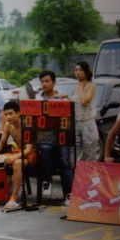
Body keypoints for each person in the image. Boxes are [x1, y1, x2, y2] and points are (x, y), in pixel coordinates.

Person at [0, 101, 37, 210]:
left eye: (11, 113)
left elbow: (28, 150)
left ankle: (13, 198)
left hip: (31, 153)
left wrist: (13, 157)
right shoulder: (8, 125)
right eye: (6, 114)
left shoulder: (27, 124)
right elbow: (2, 142)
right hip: (17, 151)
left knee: (17, 163)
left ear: (18, 113)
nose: (8, 117)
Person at [35, 70, 74, 205]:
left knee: (65, 161)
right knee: (45, 149)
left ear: (54, 82)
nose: (44, 84)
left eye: (47, 81)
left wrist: (67, 101)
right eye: (42, 81)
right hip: (45, 135)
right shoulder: (37, 99)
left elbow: (69, 119)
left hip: (61, 135)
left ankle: (69, 194)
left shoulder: (62, 99)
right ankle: (47, 181)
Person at [71, 61, 98, 161]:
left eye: (80, 70)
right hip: (76, 123)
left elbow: (84, 101)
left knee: (89, 154)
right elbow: (75, 105)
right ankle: (78, 171)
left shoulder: (91, 86)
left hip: (87, 123)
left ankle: (90, 172)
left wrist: (82, 87)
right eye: (76, 70)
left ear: (86, 72)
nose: (77, 72)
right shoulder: (75, 88)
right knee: (76, 154)